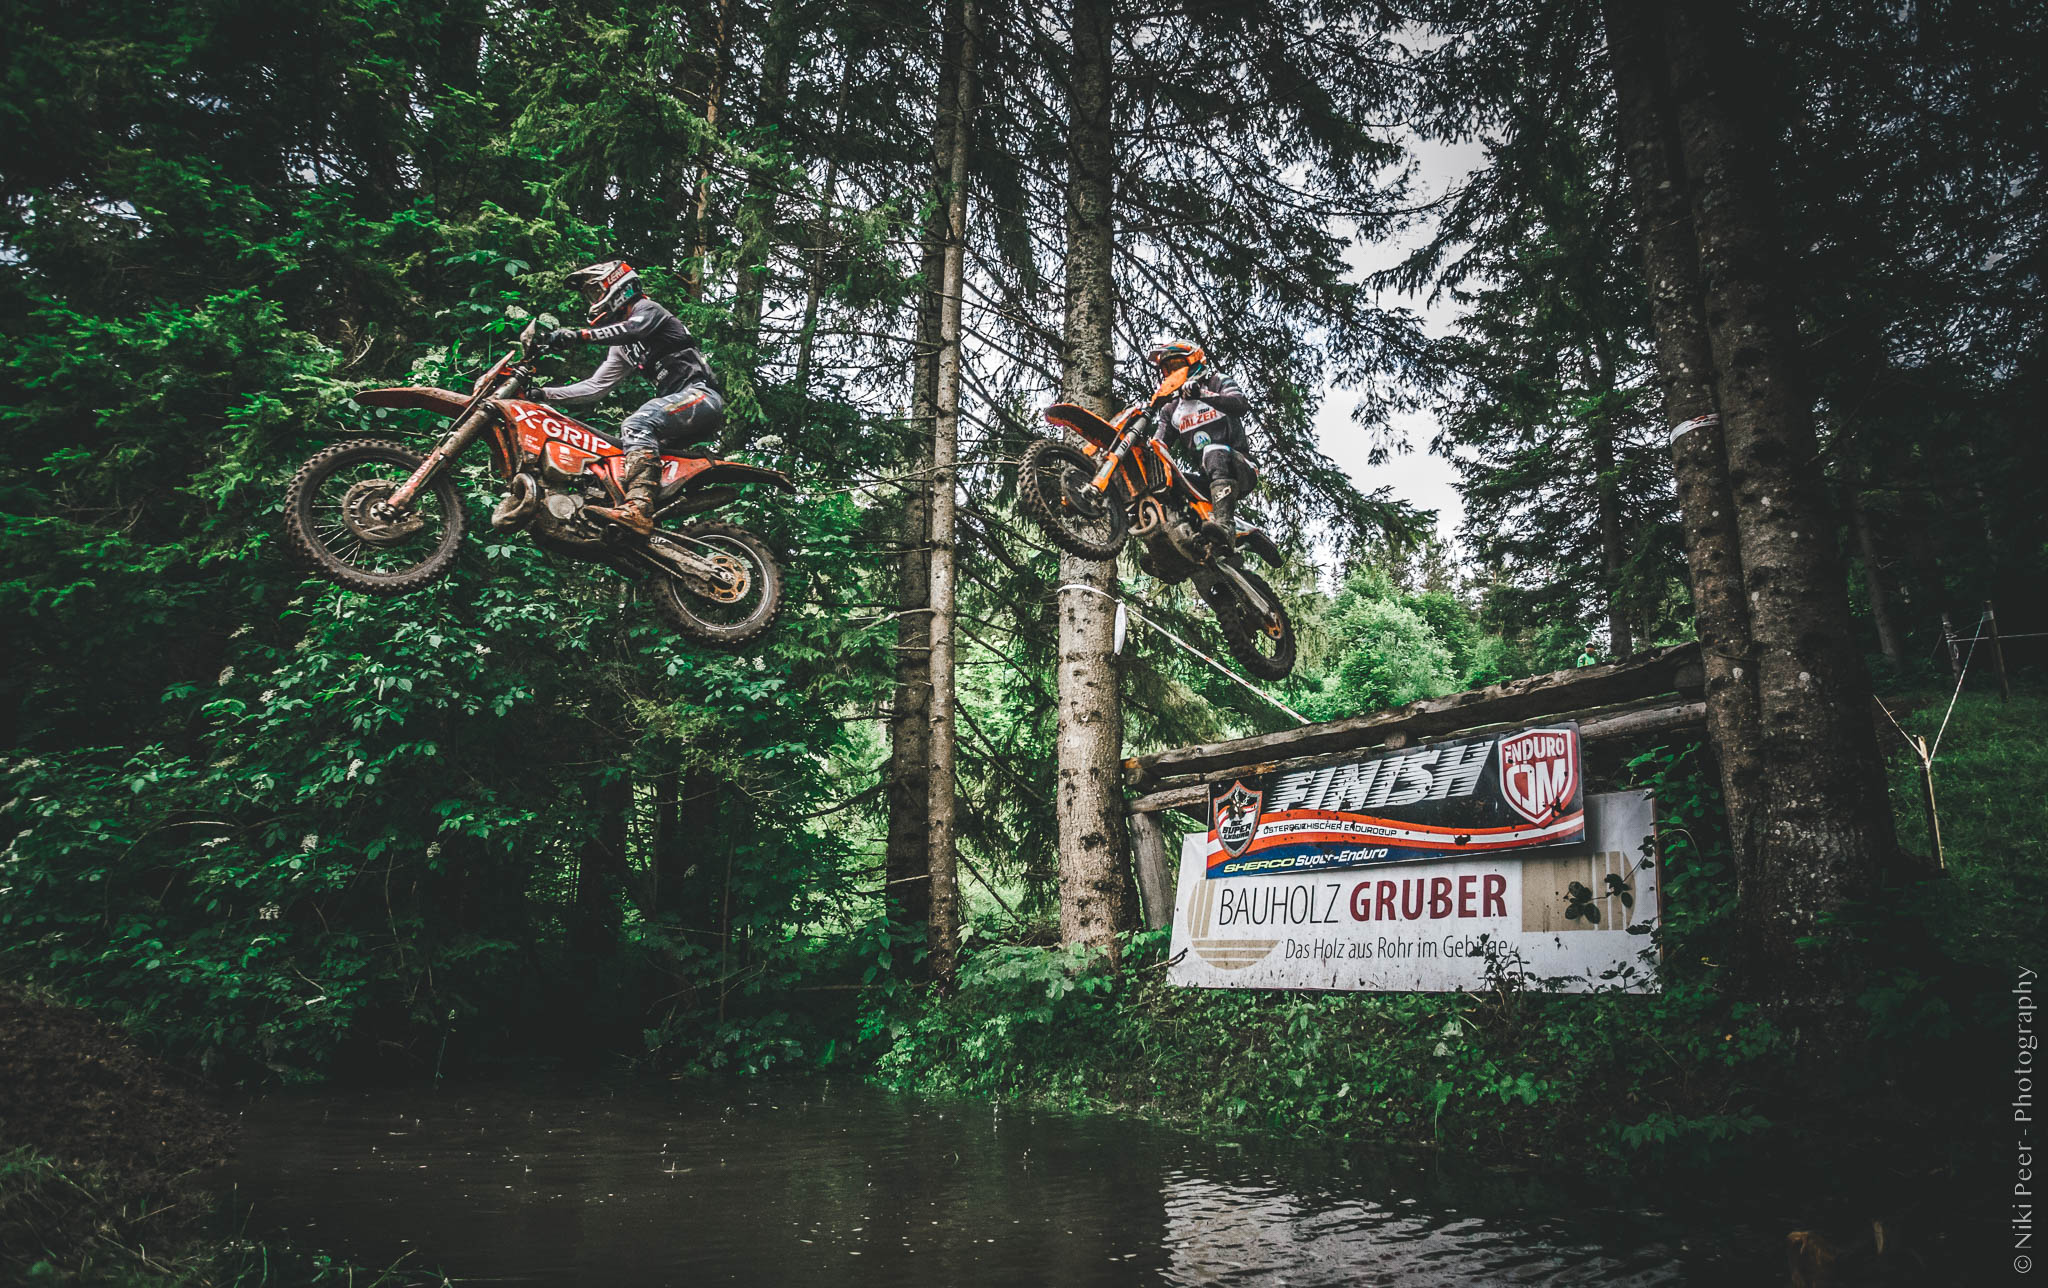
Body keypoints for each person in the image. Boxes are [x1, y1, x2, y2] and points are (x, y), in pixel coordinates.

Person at [538, 260, 725, 536]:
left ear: (617, 286)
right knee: (624, 457)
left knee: (636, 424)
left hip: (700, 396)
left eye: (596, 292)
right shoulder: (623, 347)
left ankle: (637, 508)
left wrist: (578, 336)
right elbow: (596, 386)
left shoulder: (648, 310)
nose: (594, 300)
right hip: (678, 409)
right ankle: (640, 524)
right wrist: (544, 394)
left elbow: (633, 329)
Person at [1145, 337, 1255, 547]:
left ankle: (1226, 526)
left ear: (1193, 361)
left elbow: (1240, 404)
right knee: (1167, 482)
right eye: (1167, 370)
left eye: (1177, 365)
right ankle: (1177, 546)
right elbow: (1159, 446)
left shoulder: (1217, 381)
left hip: (1240, 466)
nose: (1172, 373)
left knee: (1213, 450)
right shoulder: (1171, 409)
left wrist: (1202, 394)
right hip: (1207, 479)